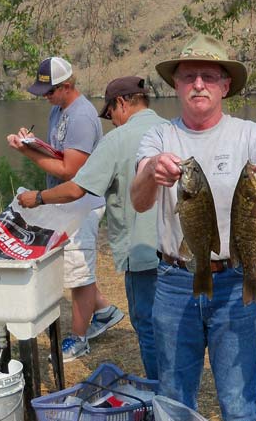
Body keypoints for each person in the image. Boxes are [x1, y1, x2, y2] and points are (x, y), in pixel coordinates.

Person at [131, 33, 256, 421]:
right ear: (176, 85)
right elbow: (138, 200)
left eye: (209, 76)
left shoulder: (251, 135)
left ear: (226, 85)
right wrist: (151, 171)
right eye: (189, 76)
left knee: (241, 411)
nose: (198, 85)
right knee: (175, 406)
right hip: (174, 280)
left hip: (238, 280)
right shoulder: (158, 138)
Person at [17, 76, 165, 379]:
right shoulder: (174, 129)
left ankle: (161, 390)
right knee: (174, 321)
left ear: (121, 104)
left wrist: (38, 197)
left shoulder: (118, 140)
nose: (110, 122)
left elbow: (76, 188)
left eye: (110, 114)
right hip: (178, 252)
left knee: (148, 326)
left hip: (142, 251)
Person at [7, 56, 123, 362]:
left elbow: (70, 171)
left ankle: (79, 339)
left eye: (49, 92)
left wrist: (26, 153)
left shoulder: (82, 117)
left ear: (67, 87)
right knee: (74, 264)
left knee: (78, 274)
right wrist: (32, 143)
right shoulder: (59, 111)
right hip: (67, 202)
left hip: (82, 203)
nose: (44, 98)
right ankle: (104, 311)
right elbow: (59, 152)